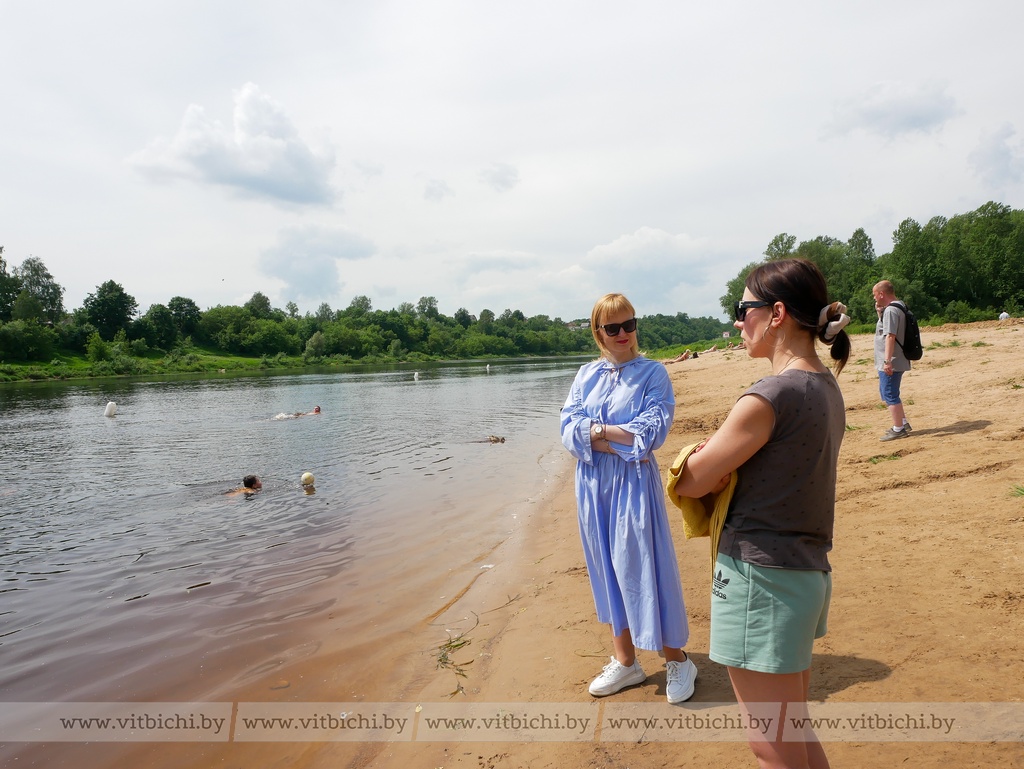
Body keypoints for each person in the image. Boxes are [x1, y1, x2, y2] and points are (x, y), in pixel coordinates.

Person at [672, 258, 851, 769]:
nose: (736, 322)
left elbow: (691, 481)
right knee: (792, 730)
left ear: (776, 314)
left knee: (769, 745)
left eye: (742, 309)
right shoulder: (825, 386)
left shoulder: (770, 394)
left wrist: (700, 459)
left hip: (759, 577)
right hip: (804, 573)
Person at [560, 293, 697, 704]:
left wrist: (597, 432)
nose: (624, 334)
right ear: (598, 332)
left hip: (633, 483)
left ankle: (677, 659)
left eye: (630, 325)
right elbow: (568, 428)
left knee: (644, 566)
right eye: (613, 328)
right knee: (606, 568)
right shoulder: (586, 374)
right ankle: (626, 662)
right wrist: (611, 433)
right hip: (591, 487)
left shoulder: (653, 373)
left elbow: (651, 432)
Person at [872, 280, 912, 440]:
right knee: (886, 392)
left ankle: (898, 429)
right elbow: (886, 329)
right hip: (895, 358)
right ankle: (902, 422)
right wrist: (879, 313)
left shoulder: (891, 311)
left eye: (874, 295)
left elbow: (890, 336)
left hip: (892, 360)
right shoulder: (898, 306)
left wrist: (887, 361)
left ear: (881, 294)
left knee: (889, 394)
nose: (874, 298)